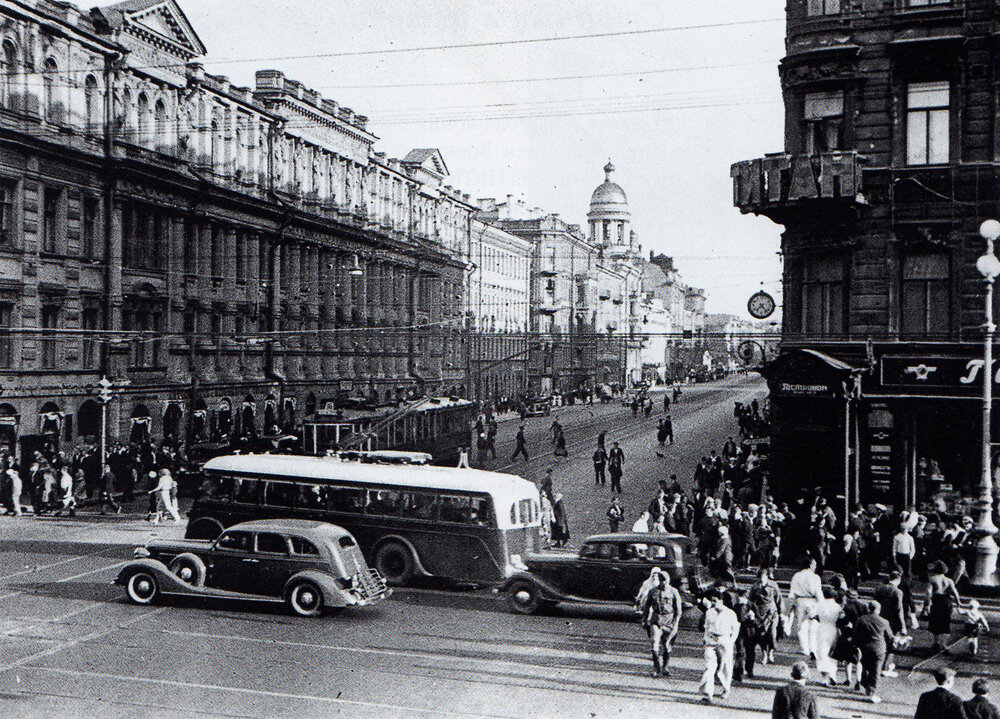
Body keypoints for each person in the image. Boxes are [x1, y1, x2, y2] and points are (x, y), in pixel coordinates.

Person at [701, 589, 739, 704]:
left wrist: (731, 641)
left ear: (722, 601)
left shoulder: (730, 613)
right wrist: (706, 639)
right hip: (711, 640)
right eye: (712, 601)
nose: (713, 603)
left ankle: (726, 688)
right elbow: (706, 627)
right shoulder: (709, 612)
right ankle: (708, 693)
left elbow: (736, 628)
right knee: (709, 666)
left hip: (725, 639)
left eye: (715, 601)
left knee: (726, 667)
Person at [642, 570, 683, 677]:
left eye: (664, 580)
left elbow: (678, 611)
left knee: (666, 645)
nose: (662, 582)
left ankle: (665, 667)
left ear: (668, 580)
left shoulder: (674, 592)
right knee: (655, 642)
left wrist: (676, 624)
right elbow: (647, 606)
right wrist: (644, 619)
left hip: (669, 620)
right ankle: (656, 667)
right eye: (661, 580)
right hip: (656, 620)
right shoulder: (653, 591)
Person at [852, 600, 893, 704]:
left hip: (864, 648)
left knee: (865, 667)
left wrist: (855, 645)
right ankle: (872, 690)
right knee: (876, 670)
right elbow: (889, 637)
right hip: (879, 649)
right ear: (878, 610)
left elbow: (856, 635)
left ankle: (865, 683)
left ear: (868, 609)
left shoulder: (861, 619)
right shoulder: (884, 621)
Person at [924, 559, 964, 651]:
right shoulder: (949, 580)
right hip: (947, 601)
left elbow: (928, 592)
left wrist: (926, 604)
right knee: (946, 622)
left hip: (937, 600)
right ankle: (944, 644)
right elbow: (955, 592)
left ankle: (936, 642)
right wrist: (958, 602)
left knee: (935, 622)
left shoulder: (932, 579)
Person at [747, 567, 782, 668]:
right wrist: (750, 611)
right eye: (759, 577)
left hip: (772, 612)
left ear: (767, 577)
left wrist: (781, 613)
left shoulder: (773, 585)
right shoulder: (755, 587)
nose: (761, 579)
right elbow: (750, 600)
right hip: (760, 613)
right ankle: (764, 654)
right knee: (761, 634)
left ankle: (771, 651)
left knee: (772, 633)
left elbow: (779, 599)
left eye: (763, 577)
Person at [788, 556, 823, 657]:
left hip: (800, 600)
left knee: (801, 625)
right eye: (814, 564)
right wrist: (821, 604)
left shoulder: (797, 576)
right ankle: (813, 648)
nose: (815, 566)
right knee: (813, 624)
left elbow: (792, 591)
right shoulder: (815, 577)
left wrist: (792, 603)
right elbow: (818, 592)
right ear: (811, 565)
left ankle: (805, 649)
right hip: (812, 601)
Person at [874, 570, 907, 676]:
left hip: (880, 618)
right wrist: (903, 626)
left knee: (881, 641)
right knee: (892, 643)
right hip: (893, 621)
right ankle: (886, 666)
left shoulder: (879, 588)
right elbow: (899, 609)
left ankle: (878, 665)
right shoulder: (897, 592)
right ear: (898, 579)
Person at [809, 587, 843, 686]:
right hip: (833, 628)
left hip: (822, 628)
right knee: (832, 652)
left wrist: (817, 617)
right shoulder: (837, 606)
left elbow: (812, 615)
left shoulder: (819, 604)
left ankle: (824, 678)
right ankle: (833, 674)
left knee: (822, 652)